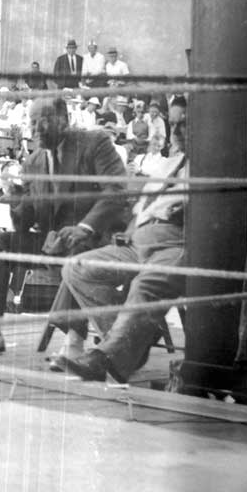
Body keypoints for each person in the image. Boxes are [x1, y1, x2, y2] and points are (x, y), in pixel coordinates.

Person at [0, 96, 130, 355]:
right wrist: (16, 201)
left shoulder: (95, 142)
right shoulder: (33, 163)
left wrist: (85, 227)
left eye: (43, 121)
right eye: (32, 123)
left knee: (78, 251)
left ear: (64, 120)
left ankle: (74, 343)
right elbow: (25, 223)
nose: (36, 130)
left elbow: (117, 190)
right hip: (52, 244)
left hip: (95, 241)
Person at [55, 120, 189, 382]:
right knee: (77, 267)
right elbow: (142, 207)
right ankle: (128, 346)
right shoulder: (167, 164)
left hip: (176, 243)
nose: (177, 131)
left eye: (185, 122)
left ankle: (110, 356)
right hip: (138, 241)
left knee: (145, 283)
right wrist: (130, 229)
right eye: (175, 123)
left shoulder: (213, 165)